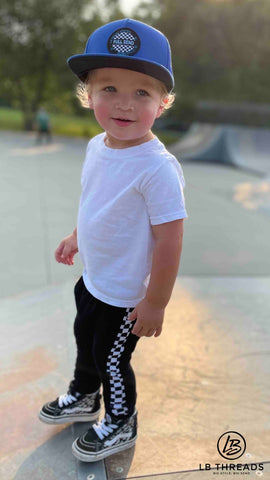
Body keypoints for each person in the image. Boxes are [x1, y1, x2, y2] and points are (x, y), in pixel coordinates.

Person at [39, 18, 188, 462]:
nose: (124, 104)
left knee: (112, 359)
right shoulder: (96, 146)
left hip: (127, 296)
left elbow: (170, 241)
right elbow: (96, 201)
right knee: (85, 337)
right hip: (94, 280)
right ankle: (85, 395)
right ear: (89, 95)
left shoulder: (157, 168)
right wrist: (77, 235)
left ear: (163, 103)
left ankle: (122, 420)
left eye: (142, 92)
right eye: (109, 89)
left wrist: (156, 303)